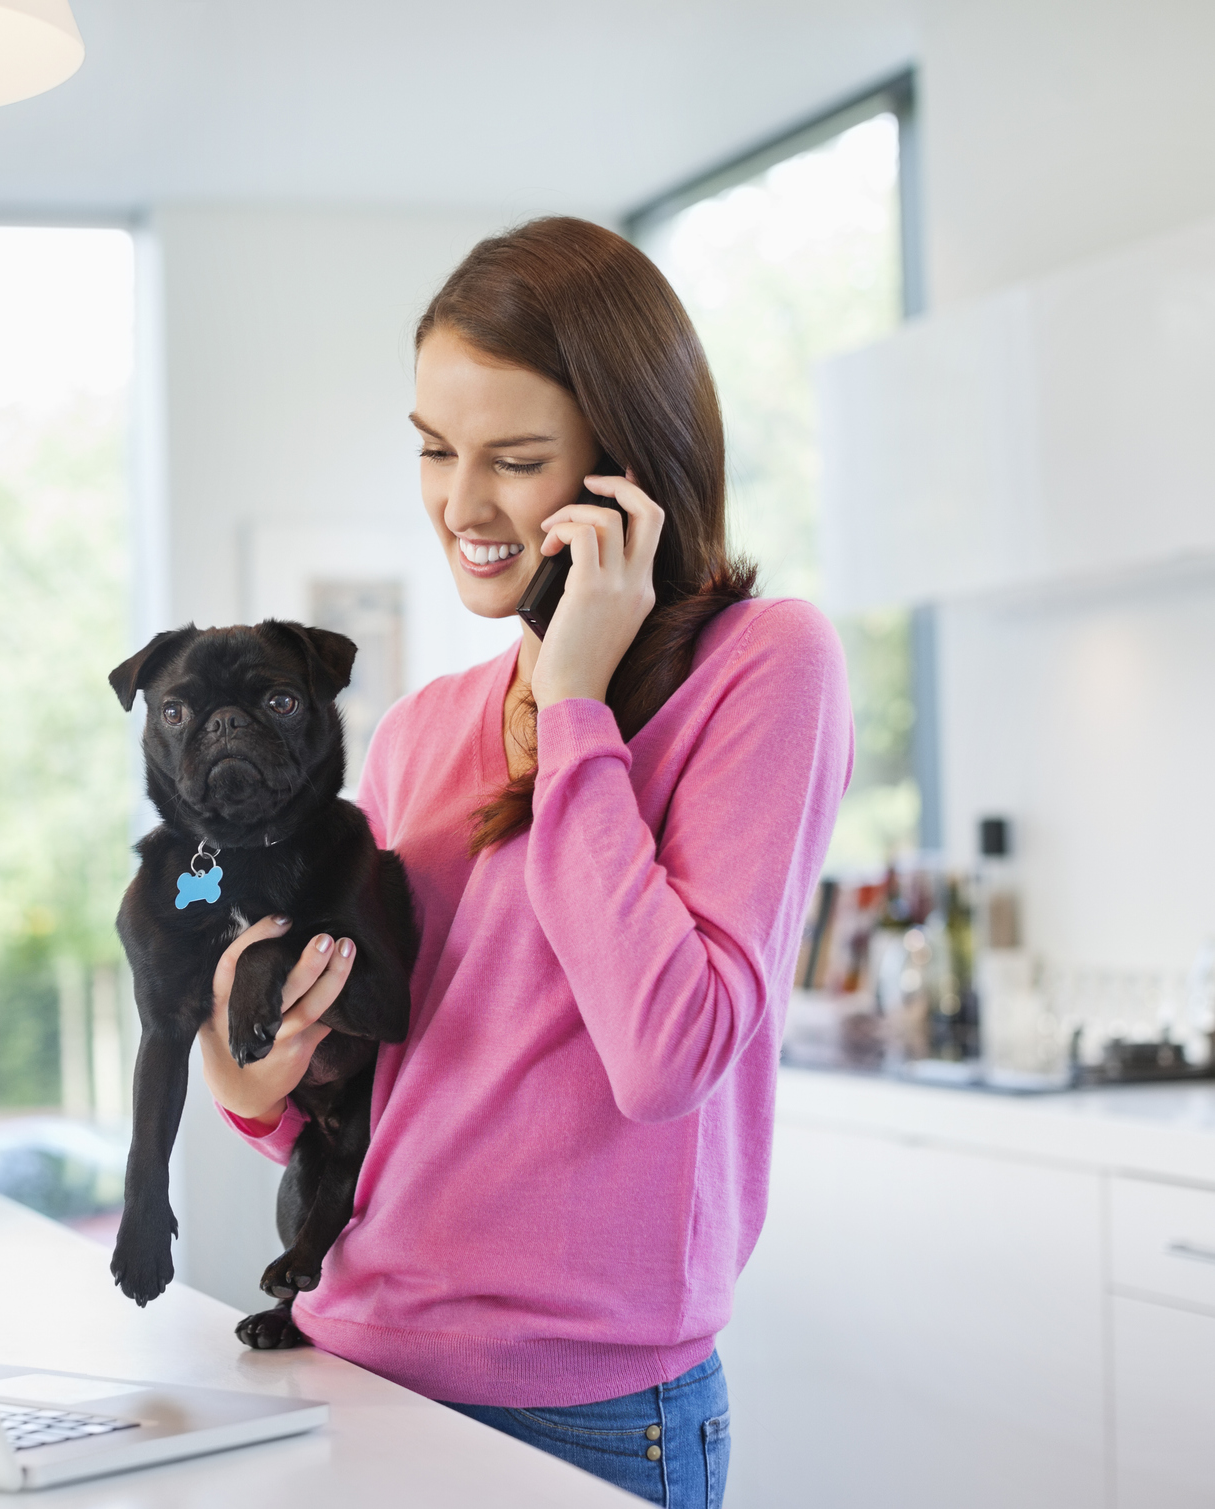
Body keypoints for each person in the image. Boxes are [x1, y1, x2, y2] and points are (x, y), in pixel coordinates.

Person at [194, 217, 853, 1507]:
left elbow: (667, 1053)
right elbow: (364, 1115)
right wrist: (250, 1072)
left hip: (589, 1416)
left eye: (515, 459)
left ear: (625, 470)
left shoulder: (768, 668)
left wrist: (573, 708)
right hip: (350, 1365)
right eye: (436, 451)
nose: (461, 504)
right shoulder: (420, 731)